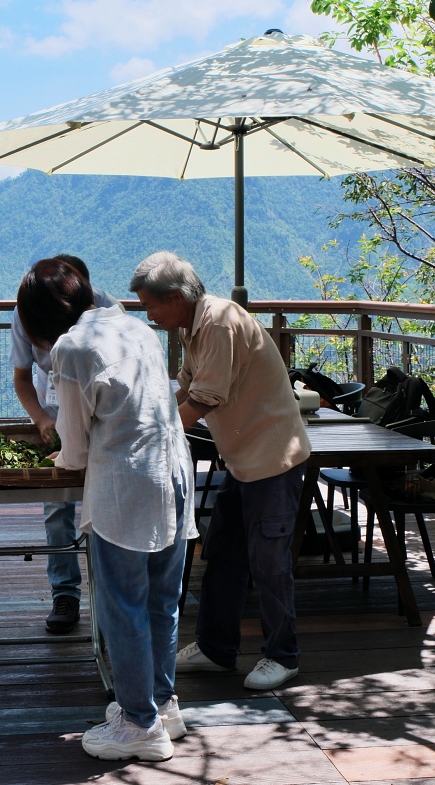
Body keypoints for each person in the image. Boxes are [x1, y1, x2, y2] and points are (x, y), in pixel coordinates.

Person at [17, 258, 195, 762]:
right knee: (162, 600)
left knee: (122, 606)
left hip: (127, 486)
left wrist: (63, 456)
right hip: (174, 472)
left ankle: (140, 725)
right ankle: (162, 705)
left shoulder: (73, 347)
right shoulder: (136, 328)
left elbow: (74, 446)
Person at [130, 251, 311, 692]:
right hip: (243, 459)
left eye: (151, 306)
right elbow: (186, 389)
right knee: (224, 554)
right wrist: (142, 423)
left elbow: (205, 399)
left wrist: (153, 436)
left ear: (175, 297)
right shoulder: (196, 326)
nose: (150, 316)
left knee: (268, 561)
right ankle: (216, 649)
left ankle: (282, 656)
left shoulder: (217, 322)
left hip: (272, 458)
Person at [9, 253, 119, 634]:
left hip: (103, 414)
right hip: (57, 412)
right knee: (58, 509)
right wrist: (42, 419)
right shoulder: (27, 313)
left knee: (104, 504)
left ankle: (109, 598)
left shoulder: (106, 310)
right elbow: (22, 378)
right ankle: (65, 593)